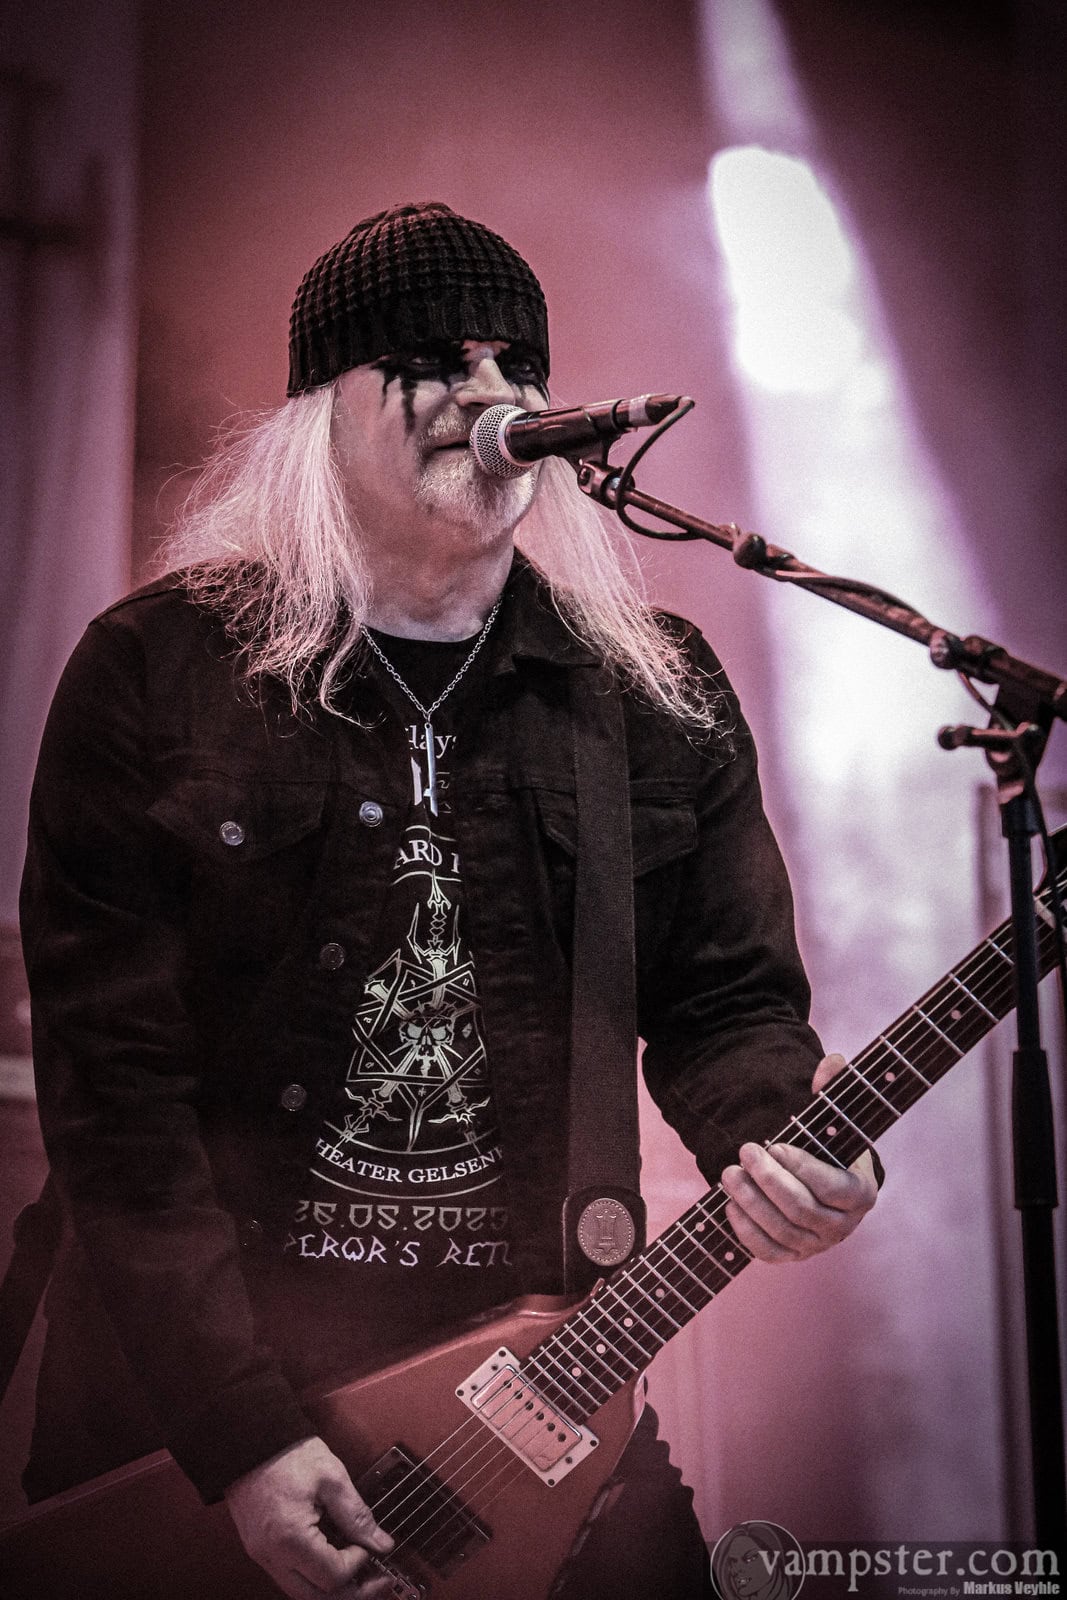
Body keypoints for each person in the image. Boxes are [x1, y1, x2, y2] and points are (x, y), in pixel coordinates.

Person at [19, 202, 878, 1599]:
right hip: (196, 1414)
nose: (491, 395)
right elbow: (114, 1103)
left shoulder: (645, 689)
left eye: (515, 364)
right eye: (433, 360)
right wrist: (243, 1438)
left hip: (538, 1386)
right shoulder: (156, 674)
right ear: (324, 407)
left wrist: (782, 1141)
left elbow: (726, 1001)